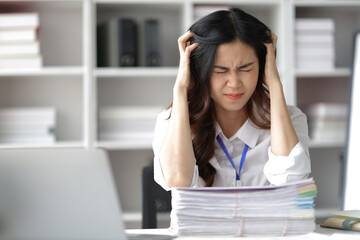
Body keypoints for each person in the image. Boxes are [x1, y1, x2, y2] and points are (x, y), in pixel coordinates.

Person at [152, 8, 311, 190]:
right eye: (220, 71)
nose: (234, 83)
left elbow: (290, 182)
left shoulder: (291, 118)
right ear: (199, 72)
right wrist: (180, 88)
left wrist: (275, 85)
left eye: (245, 69)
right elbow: (178, 181)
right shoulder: (171, 121)